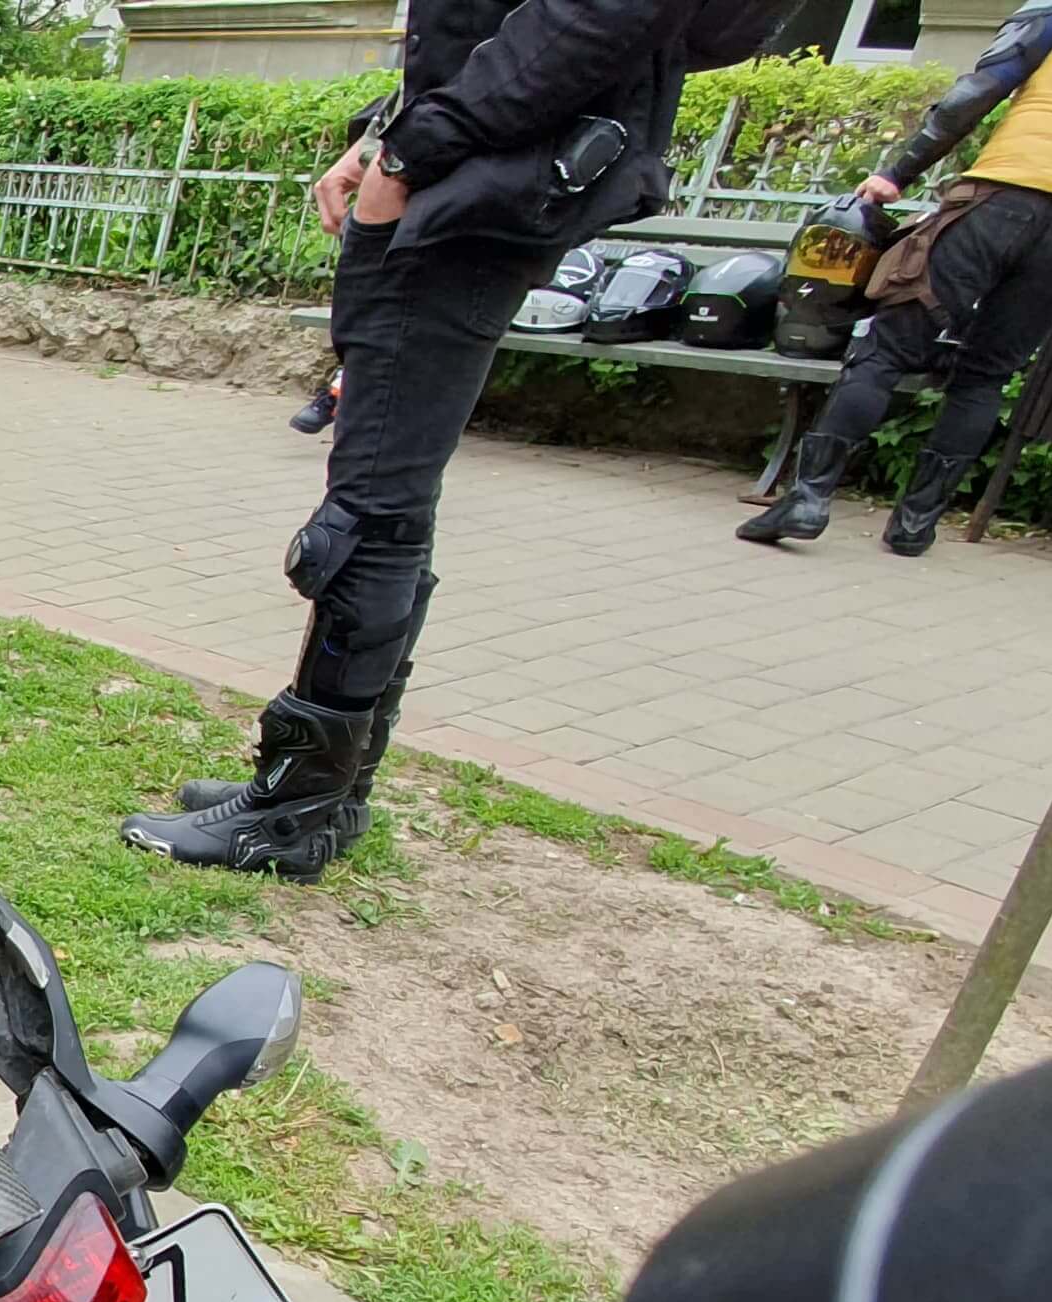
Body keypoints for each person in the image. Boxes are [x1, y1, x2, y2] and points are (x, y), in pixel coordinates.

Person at [123, 0, 698, 877]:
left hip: (470, 194)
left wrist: (412, 151)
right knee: (388, 507)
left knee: (366, 518)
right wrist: (387, 136)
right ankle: (330, 790)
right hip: (475, 179)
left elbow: (591, 18)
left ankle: (293, 814)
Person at [739, 0, 1052, 556]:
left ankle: (808, 498)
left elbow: (979, 91)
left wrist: (897, 174)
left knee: (887, 350)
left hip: (997, 200)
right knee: (985, 376)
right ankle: (915, 526)